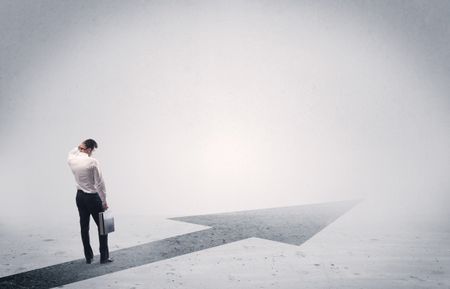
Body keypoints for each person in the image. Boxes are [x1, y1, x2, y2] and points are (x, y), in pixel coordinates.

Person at [67, 139, 113, 264]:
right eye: (92, 150)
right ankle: (104, 257)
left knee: (84, 227)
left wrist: (79, 146)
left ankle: (89, 257)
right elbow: (100, 183)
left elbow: (72, 151)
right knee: (103, 227)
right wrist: (104, 201)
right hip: (92, 197)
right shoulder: (92, 162)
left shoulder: (71, 159)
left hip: (79, 197)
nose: (92, 152)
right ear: (89, 149)